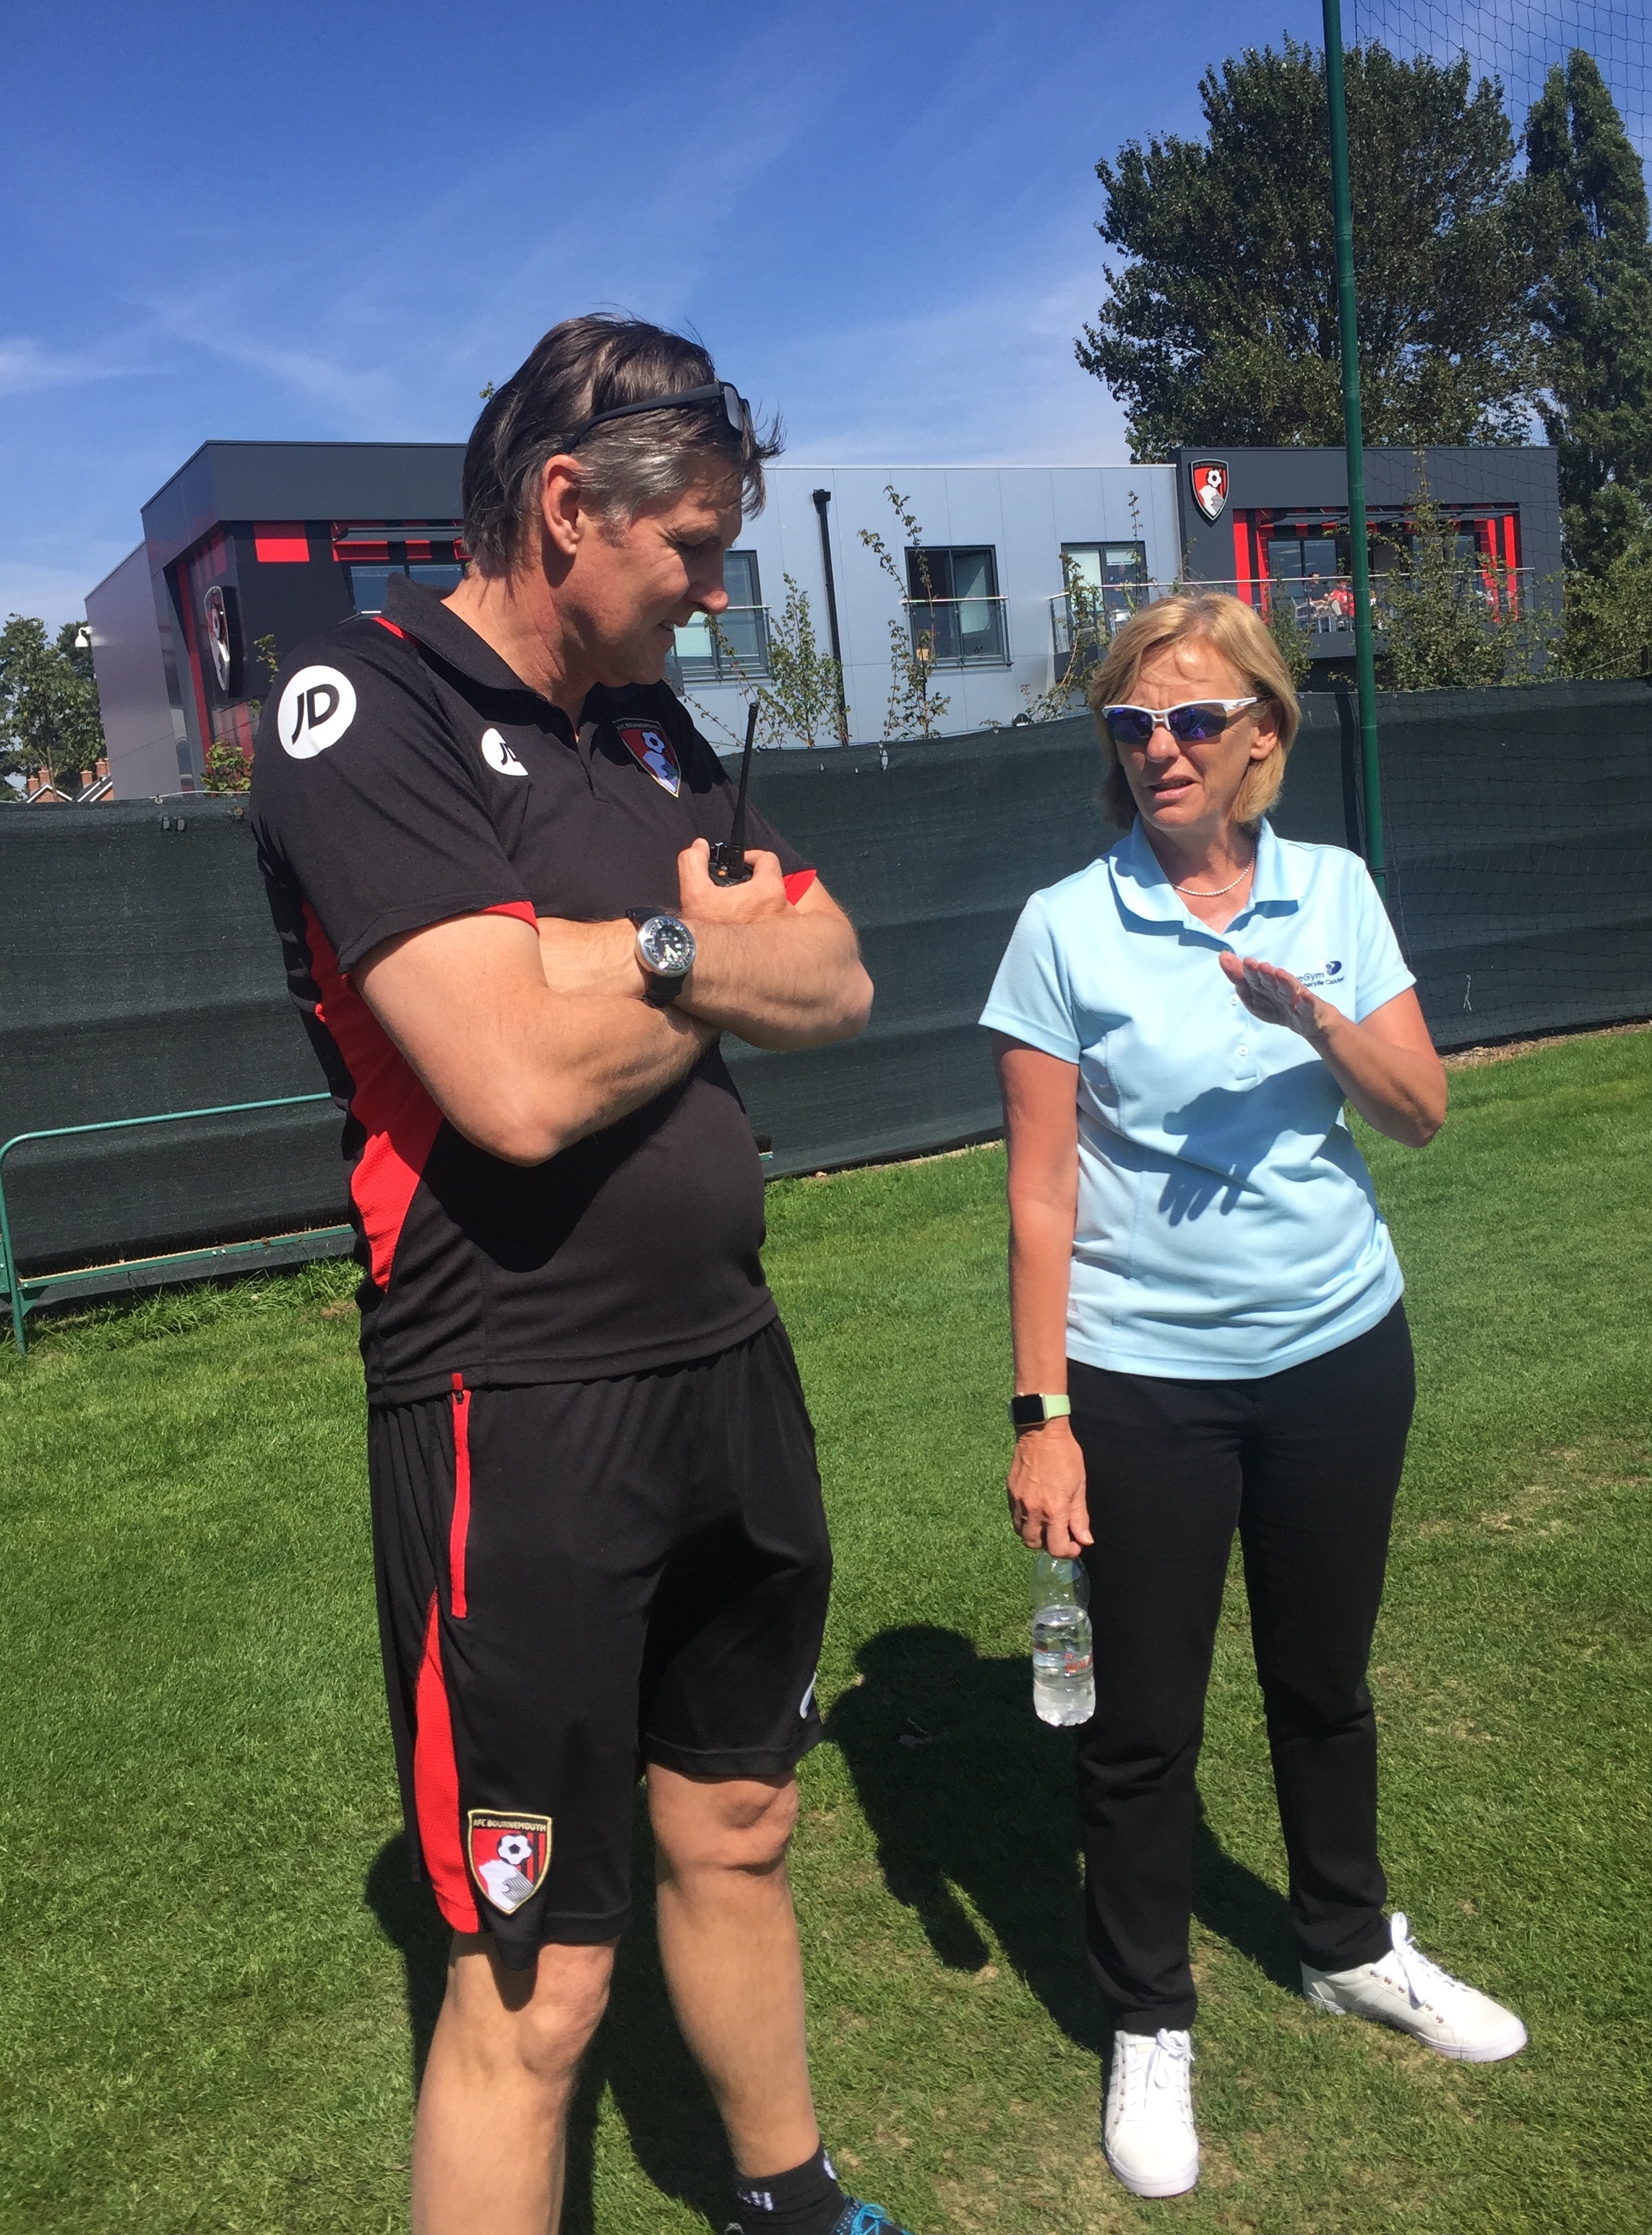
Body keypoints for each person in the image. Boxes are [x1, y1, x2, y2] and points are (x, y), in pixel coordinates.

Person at [250, 314, 915, 2235]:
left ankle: (788, 2191)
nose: (712, 592)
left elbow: (841, 972)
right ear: (566, 505)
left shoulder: (643, 726)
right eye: (690, 547)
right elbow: (515, 1088)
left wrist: (595, 949)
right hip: (515, 1416)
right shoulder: (354, 705)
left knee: (741, 1820)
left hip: (733, 1365)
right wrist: (679, 950)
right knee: (539, 1980)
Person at [978, 592, 1527, 2202]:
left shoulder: (1335, 894)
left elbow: (1419, 1111)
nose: (1158, 747)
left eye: (1192, 720)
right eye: (1130, 724)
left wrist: (1312, 1011)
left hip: (1340, 1351)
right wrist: (1042, 1412)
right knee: (1138, 1722)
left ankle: (1344, 1940)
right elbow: (1034, 1198)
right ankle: (1149, 2013)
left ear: (1261, 736)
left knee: (1323, 1679)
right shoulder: (1062, 924)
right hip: (1141, 1382)